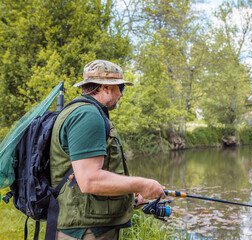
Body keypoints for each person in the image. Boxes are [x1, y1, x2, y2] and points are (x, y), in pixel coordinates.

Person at [50, 60, 166, 240]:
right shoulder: (88, 116)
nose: (121, 94)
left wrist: (127, 193)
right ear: (105, 87)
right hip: (86, 231)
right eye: (121, 88)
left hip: (87, 225)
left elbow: (88, 174)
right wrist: (143, 184)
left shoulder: (79, 111)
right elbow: (89, 180)